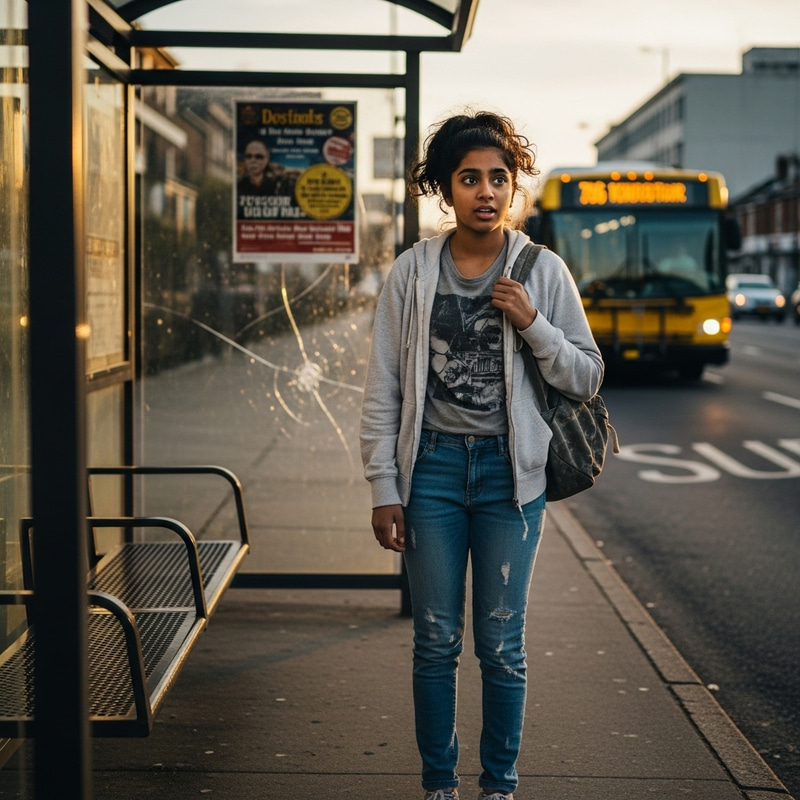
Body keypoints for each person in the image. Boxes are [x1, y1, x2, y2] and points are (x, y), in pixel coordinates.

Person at [359, 110, 604, 800]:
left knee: (502, 645)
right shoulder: (412, 273)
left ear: (513, 186)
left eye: (499, 178)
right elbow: (383, 386)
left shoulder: (541, 271)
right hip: (430, 471)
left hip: (510, 477)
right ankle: (440, 785)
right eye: (470, 178)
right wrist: (384, 483)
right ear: (445, 188)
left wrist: (534, 325)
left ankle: (499, 787)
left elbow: (586, 376)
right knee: (435, 640)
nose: (487, 192)